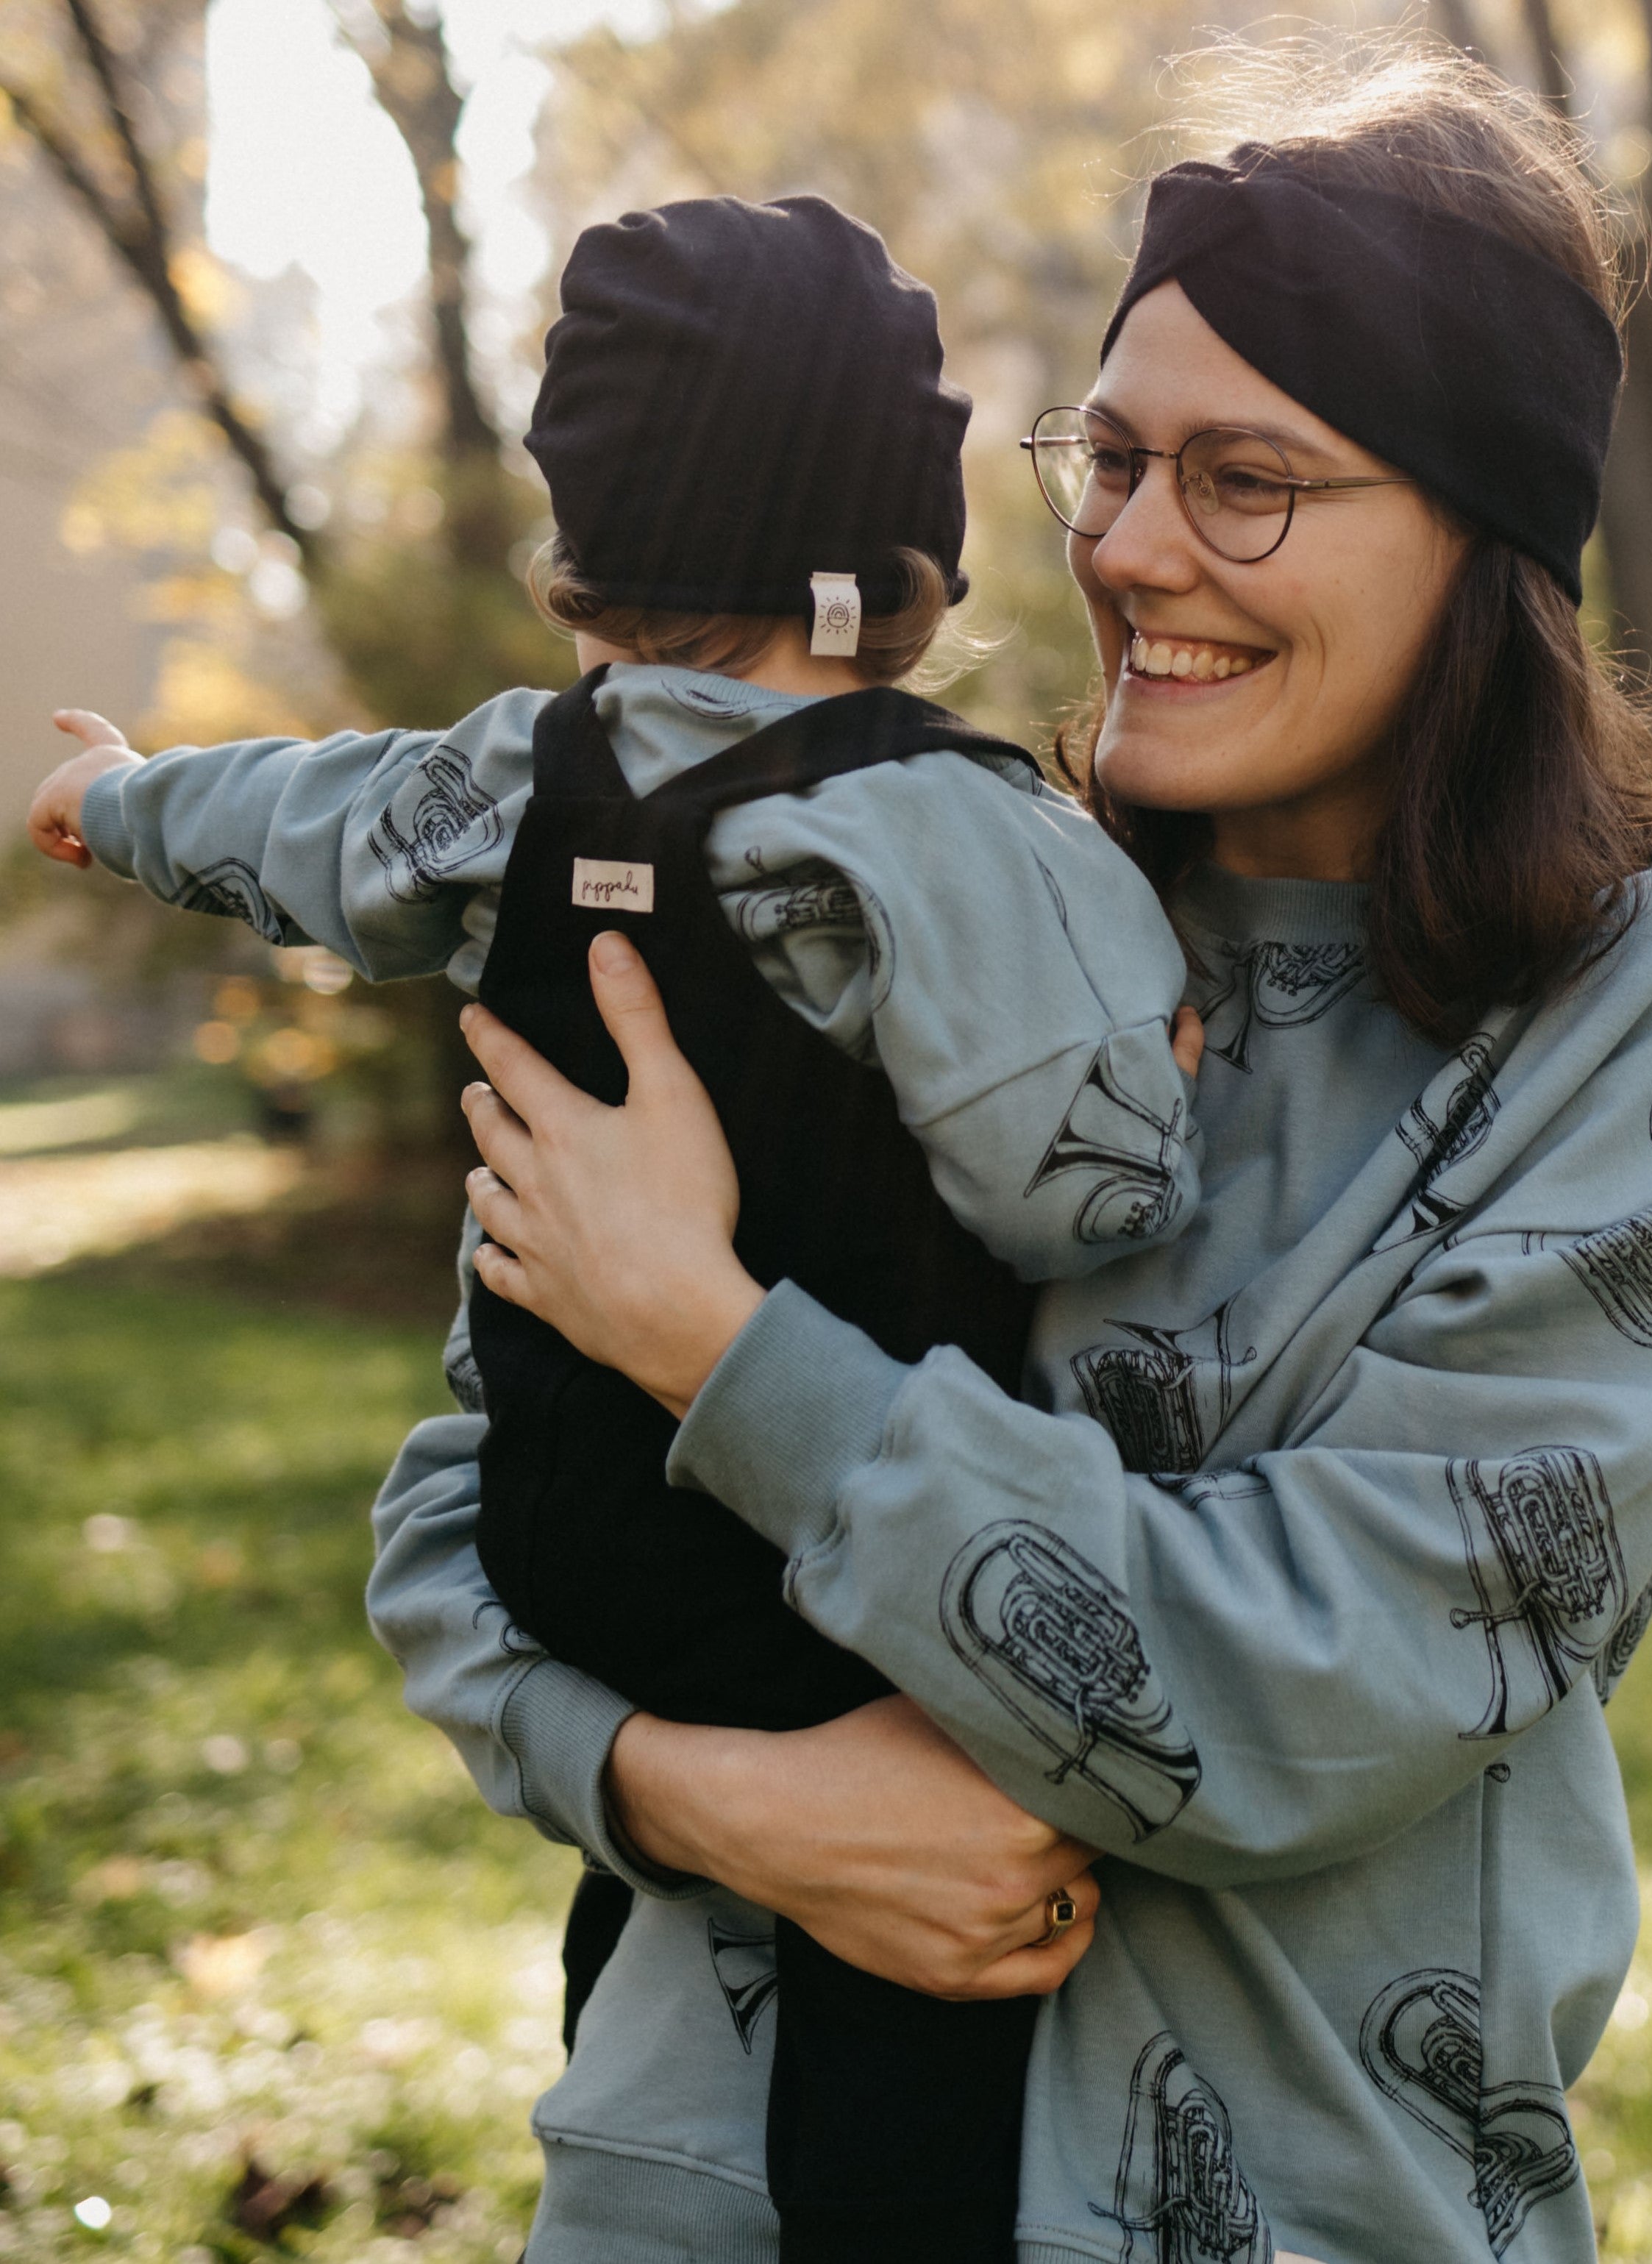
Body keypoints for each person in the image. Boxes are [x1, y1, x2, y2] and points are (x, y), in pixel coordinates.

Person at [371, 40, 1652, 2264]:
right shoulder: (899, 882)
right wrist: (715, 1800)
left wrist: (717, 1345)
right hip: (697, 2200)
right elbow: (467, 1503)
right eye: (1115, 457)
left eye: (1247, 478)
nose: (1130, 549)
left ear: (1483, 533)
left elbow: (1303, 1684)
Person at [25, 194, 1203, 2264]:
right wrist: (1161, 1091)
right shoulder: (951, 824)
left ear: (590, 557)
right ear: (899, 568)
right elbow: (1078, 1185)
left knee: (653, 1974)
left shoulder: (502, 781)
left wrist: (119, 799)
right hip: (848, 1584)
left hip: (576, 1551)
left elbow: (292, 819)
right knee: (905, 2082)